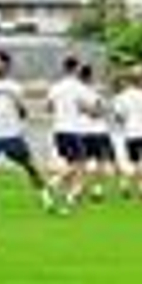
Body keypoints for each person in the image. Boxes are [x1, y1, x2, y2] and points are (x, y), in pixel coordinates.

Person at [0, 50, 57, 219]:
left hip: (12, 135)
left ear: (6, 65)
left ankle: (47, 200)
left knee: (30, 167)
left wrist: (19, 105)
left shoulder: (15, 87)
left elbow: (23, 114)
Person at [45, 56, 92, 203]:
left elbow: (48, 108)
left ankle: (71, 195)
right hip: (73, 130)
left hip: (58, 130)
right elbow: (88, 108)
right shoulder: (78, 87)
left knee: (71, 162)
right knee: (81, 163)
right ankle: (53, 183)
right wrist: (90, 111)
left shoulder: (55, 87)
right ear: (76, 68)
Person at [112, 72, 142, 200]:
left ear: (128, 82)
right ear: (139, 82)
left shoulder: (121, 97)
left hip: (131, 133)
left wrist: (122, 121)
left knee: (135, 163)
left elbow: (119, 117)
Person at [79, 62, 118, 202]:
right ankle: (97, 190)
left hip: (82, 132)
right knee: (100, 162)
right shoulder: (93, 92)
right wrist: (100, 109)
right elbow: (97, 112)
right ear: (90, 77)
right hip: (98, 131)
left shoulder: (77, 91)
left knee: (82, 162)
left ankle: (80, 189)